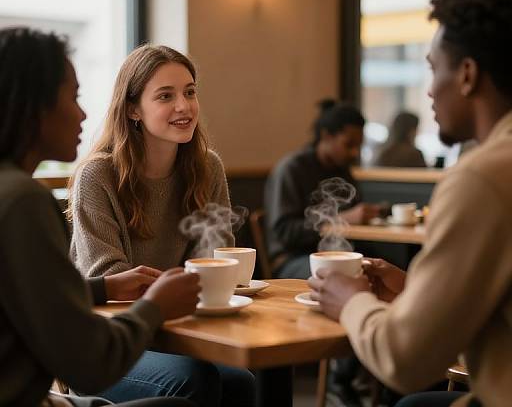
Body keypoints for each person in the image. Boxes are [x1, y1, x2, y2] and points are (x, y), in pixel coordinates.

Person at [309, 0, 512, 407]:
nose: (430, 91)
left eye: (433, 69)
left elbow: (406, 361)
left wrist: (351, 302)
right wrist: (413, 292)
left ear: (468, 75)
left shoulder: (484, 176)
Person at [0, 27, 198, 407]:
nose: (84, 112)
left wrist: (103, 288)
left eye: (190, 92)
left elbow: (28, 296)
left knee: (234, 384)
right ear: (33, 105)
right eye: (72, 96)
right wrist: (155, 305)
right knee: (181, 397)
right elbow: (89, 363)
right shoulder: (23, 201)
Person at [69, 45, 255, 407]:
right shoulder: (97, 176)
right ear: (133, 109)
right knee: (193, 381)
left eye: (189, 92)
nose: (184, 106)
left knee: (241, 383)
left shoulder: (207, 168)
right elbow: (111, 279)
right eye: (165, 96)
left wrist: (203, 283)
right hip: (104, 344)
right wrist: (182, 288)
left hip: (177, 333)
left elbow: (215, 263)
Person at [265, 100, 381, 280]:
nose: (354, 153)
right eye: (349, 144)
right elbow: (285, 231)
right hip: (292, 259)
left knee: (383, 269)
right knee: (345, 275)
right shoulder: (292, 169)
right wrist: (341, 219)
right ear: (326, 136)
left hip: (336, 253)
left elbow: (355, 213)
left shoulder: (342, 170)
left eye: (358, 146)